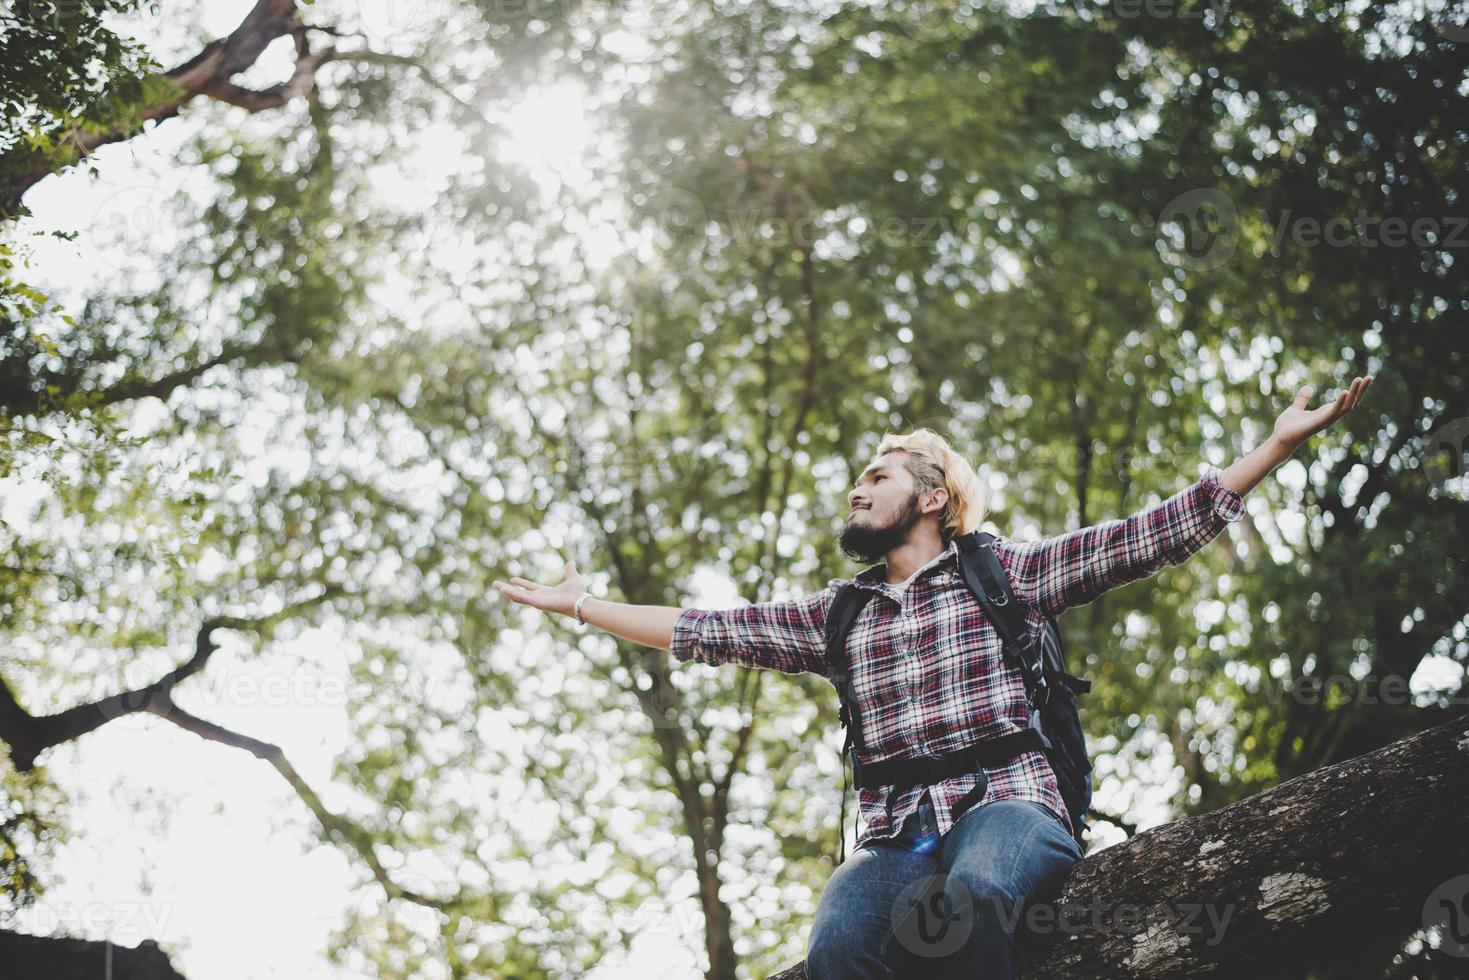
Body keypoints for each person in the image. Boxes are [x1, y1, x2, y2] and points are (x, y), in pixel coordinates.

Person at [492, 376, 1373, 979]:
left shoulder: (1006, 575)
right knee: (837, 944)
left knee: (977, 892)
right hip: (892, 835)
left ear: (929, 498)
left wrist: (1273, 447)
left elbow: (1151, 535)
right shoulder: (836, 616)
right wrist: (581, 606)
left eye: (875, 477)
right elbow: (701, 631)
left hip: (1011, 808)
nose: (855, 490)